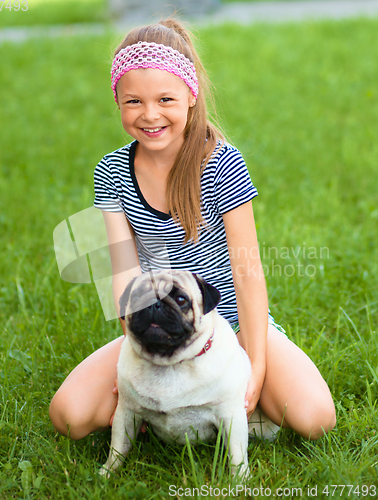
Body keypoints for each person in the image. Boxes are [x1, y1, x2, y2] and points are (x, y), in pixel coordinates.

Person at [49, 18, 336, 442]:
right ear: (118, 102)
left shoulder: (220, 164)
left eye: (165, 98)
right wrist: (139, 359)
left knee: (314, 418)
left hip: (232, 324)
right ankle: (170, 406)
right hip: (157, 326)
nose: (150, 115)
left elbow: (247, 273)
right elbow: (125, 277)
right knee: (70, 416)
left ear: (190, 95)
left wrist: (252, 366)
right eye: (133, 101)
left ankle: (217, 403)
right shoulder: (111, 171)